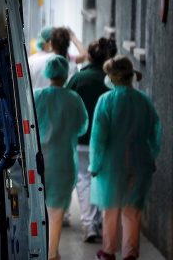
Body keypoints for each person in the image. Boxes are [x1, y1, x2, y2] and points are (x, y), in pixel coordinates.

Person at [90, 56, 161, 260]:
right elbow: (154, 131)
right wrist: (152, 156)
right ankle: (130, 253)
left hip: (112, 163)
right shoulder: (143, 100)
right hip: (140, 162)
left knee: (111, 207)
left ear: (112, 77)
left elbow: (99, 137)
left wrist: (95, 164)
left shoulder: (106, 101)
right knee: (133, 210)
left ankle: (109, 251)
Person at [33, 55, 88, 260]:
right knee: (56, 212)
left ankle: (37, 250)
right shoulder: (73, 99)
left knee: (38, 207)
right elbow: (82, 126)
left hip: (39, 161)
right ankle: (52, 253)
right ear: (66, 75)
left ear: (48, 74)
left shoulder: (37, 96)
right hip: (63, 160)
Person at [66, 37, 111, 242]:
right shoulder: (111, 80)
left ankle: (89, 224)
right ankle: (100, 222)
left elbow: (67, 107)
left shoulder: (78, 79)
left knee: (84, 180)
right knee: (102, 180)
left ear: (89, 56)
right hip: (105, 141)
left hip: (81, 139)